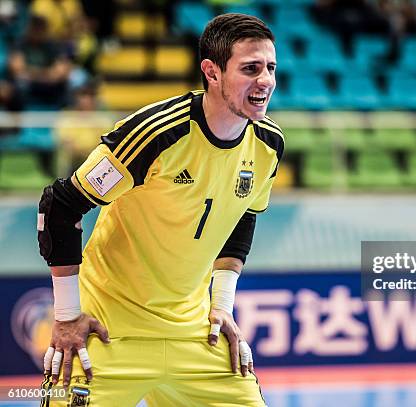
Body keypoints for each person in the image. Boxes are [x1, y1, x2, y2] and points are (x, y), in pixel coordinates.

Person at [37, 13, 282, 407]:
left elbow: (243, 215)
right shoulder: (156, 133)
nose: (266, 80)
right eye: (250, 68)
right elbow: (60, 207)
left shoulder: (268, 144)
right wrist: (66, 316)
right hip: (106, 334)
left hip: (197, 336)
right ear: (212, 72)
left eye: (270, 68)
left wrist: (221, 306)